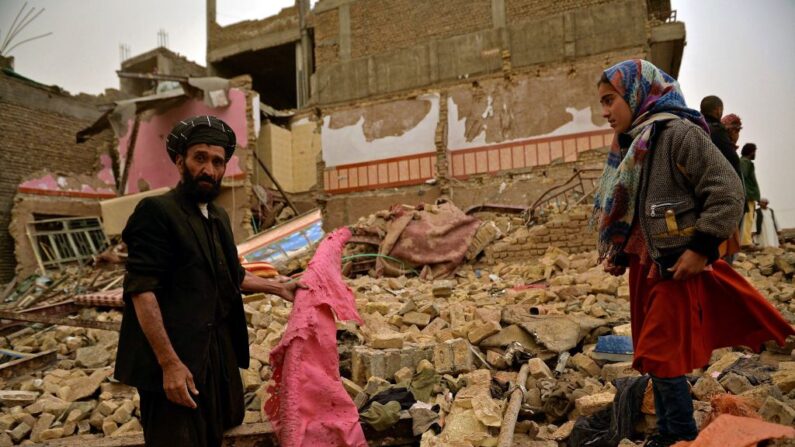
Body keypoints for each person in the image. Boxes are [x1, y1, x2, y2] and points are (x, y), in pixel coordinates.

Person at [595, 60, 794, 447]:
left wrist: (701, 249)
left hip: (676, 268)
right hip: (645, 268)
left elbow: (727, 192)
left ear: (637, 95)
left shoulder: (678, 135)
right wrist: (621, 252)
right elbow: (635, 207)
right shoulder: (635, 144)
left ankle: (680, 432)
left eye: (609, 101)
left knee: (661, 349)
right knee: (651, 354)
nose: (604, 112)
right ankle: (668, 431)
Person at [114, 115, 304, 447]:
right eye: (199, 158)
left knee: (223, 430)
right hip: (175, 362)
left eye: (218, 161)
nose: (209, 169)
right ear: (180, 161)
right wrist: (169, 365)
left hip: (217, 356)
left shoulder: (217, 217)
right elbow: (141, 291)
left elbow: (231, 276)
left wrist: (279, 287)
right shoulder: (156, 211)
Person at [699, 95, 740, 176]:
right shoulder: (717, 130)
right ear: (718, 110)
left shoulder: (695, 126)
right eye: (736, 130)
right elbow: (733, 161)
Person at [739, 143, 761, 247]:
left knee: (749, 219)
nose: (755, 154)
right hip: (748, 195)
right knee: (747, 219)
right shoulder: (745, 162)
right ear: (751, 152)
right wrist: (746, 194)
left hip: (749, 195)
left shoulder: (745, 162)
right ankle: (745, 242)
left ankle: (745, 241)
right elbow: (743, 179)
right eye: (754, 151)